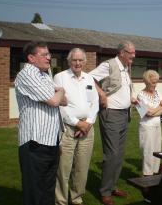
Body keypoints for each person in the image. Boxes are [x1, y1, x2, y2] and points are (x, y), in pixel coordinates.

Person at [14, 41, 66, 205]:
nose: (49, 57)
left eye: (49, 54)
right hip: (35, 143)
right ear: (31, 58)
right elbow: (54, 100)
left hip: (50, 141)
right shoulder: (27, 74)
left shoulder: (44, 75)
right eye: (44, 55)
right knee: (35, 191)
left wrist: (59, 94)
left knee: (48, 188)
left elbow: (64, 101)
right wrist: (61, 90)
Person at [89, 40, 137, 205]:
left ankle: (112, 185)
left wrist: (130, 99)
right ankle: (105, 192)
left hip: (124, 115)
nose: (134, 55)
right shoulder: (109, 65)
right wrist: (101, 94)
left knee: (119, 154)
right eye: (131, 53)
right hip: (111, 115)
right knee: (112, 154)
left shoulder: (125, 68)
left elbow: (120, 89)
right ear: (122, 53)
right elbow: (89, 78)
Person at [54, 48, 99, 205]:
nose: (77, 63)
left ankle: (77, 199)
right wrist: (77, 123)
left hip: (87, 128)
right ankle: (60, 201)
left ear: (85, 62)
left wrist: (87, 123)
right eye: (74, 60)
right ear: (69, 61)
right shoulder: (60, 77)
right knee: (63, 168)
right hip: (68, 128)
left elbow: (95, 103)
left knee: (82, 168)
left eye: (80, 60)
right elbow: (60, 105)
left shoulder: (89, 78)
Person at [137, 70, 162, 176]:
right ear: (146, 82)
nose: (155, 85)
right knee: (147, 151)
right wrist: (159, 108)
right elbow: (146, 113)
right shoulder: (140, 96)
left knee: (157, 150)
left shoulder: (158, 93)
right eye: (153, 83)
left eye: (156, 82)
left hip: (157, 125)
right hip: (146, 127)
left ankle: (155, 172)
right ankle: (147, 174)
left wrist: (153, 111)